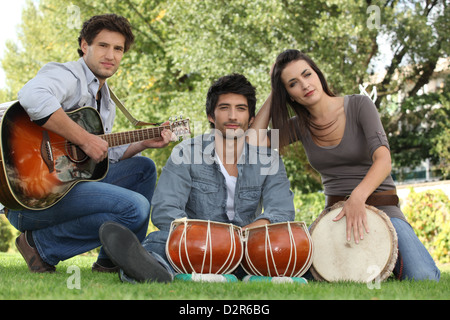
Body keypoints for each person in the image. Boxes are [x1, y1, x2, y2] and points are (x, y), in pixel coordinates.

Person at [249, 49, 440, 281]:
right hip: (335, 217)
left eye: (307, 74)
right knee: (298, 274)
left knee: (423, 277)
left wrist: (357, 198)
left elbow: (384, 159)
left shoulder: (359, 105)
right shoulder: (299, 126)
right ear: (288, 94)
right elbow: (253, 141)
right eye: (293, 83)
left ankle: (385, 265)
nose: (305, 84)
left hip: (384, 209)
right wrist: (273, 91)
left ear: (318, 74)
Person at [6, 14, 173, 273]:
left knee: (144, 168)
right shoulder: (68, 75)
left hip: (67, 186)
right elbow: (32, 95)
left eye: (118, 49)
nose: (111, 55)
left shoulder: (105, 100)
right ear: (85, 46)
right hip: (31, 197)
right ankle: (39, 245)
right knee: (135, 207)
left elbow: (99, 156)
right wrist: (83, 138)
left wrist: (142, 142)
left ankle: (110, 260)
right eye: (103, 46)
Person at [99, 73, 295, 283]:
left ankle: (188, 271)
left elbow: (281, 210)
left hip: (247, 246)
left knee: (283, 243)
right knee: (159, 240)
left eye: (241, 109)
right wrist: (205, 237)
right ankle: (152, 268)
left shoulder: (269, 159)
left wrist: (242, 236)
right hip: (196, 244)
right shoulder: (186, 152)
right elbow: (166, 209)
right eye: (224, 108)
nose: (232, 116)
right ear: (211, 116)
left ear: (252, 119)